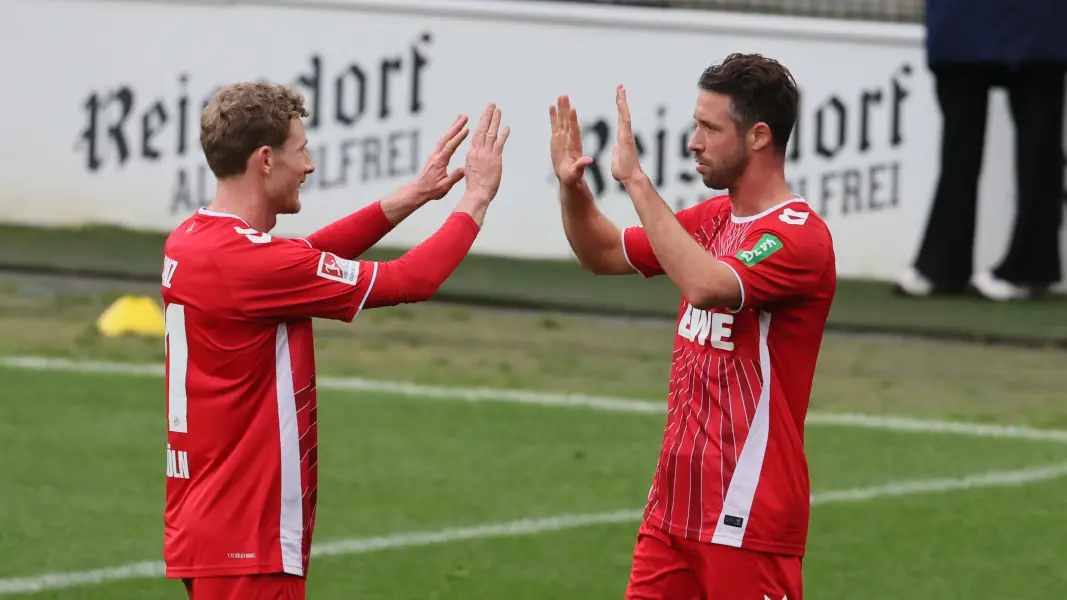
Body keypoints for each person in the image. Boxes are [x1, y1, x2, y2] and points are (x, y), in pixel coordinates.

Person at [160, 81, 509, 600]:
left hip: (208, 525)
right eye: (301, 151)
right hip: (248, 540)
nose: (310, 165)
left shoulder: (193, 240)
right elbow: (410, 280)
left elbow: (302, 257)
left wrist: (412, 197)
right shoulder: (253, 264)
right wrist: (476, 198)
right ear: (265, 160)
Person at [549, 53, 835, 599]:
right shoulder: (713, 220)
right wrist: (572, 188)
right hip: (673, 511)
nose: (693, 142)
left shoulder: (800, 237)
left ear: (757, 137)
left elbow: (706, 285)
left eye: (709, 128)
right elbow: (603, 253)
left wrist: (636, 182)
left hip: (747, 518)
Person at [896, 0, 1066, 301]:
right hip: (964, 16)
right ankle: (943, 264)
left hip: (1041, 18)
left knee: (1039, 145)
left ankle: (1029, 267)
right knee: (958, 146)